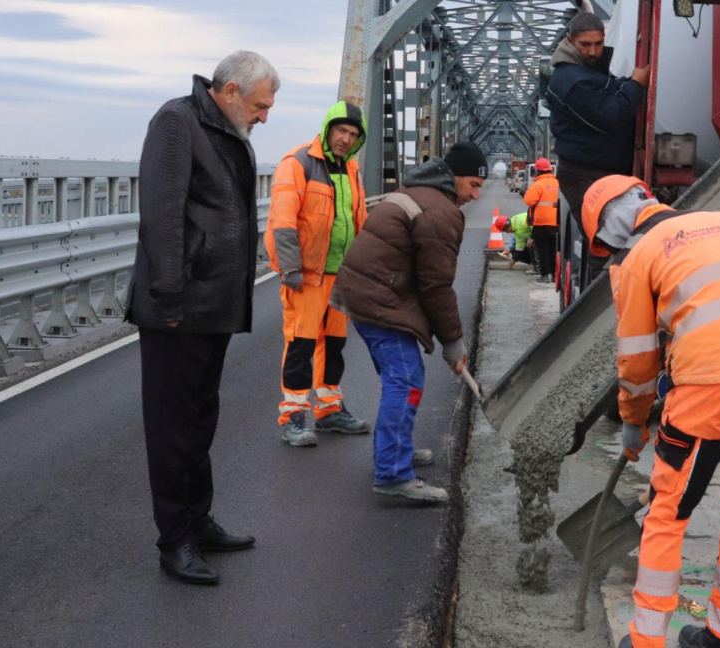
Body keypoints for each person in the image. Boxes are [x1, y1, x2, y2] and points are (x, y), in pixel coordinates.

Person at [584, 176, 720, 648]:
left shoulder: (637, 260)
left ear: (612, 230)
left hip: (705, 389)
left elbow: (638, 362)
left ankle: (647, 640)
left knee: (668, 514)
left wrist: (634, 424)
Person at [127, 51, 278, 585]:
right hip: (180, 307)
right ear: (231, 90)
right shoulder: (177, 122)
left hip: (211, 307)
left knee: (199, 422)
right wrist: (168, 300)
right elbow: (163, 215)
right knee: (172, 428)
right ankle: (176, 541)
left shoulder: (221, 127)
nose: (265, 116)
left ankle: (198, 520)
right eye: (261, 105)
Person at [330, 142, 487, 503]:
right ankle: (393, 473)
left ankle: (395, 449)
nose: (476, 195)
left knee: (401, 379)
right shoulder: (440, 212)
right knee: (405, 380)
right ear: (455, 177)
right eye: (473, 185)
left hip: (364, 293)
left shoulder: (418, 191)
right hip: (378, 299)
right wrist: (453, 342)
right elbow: (436, 285)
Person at [266, 101, 371, 447]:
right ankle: (293, 416)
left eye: (353, 134)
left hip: (341, 274)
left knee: (335, 345)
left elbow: (359, 220)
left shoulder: (351, 168)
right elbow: (282, 220)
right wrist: (290, 266)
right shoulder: (298, 162)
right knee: (301, 344)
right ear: (328, 128)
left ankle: (329, 410)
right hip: (308, 274)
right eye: (341, 130)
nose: (346, 138)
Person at [547, 12, 649, 244]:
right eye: (585, 45)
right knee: (605, 243)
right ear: (570, 40)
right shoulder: (572, 80)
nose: (593, 51)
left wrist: (626, 83)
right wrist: (634, 85)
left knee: (611, 241)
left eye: (598, 43)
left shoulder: (584, 71)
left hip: (597, 172)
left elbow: (607, 91)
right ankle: (604, 282)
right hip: (587, 175)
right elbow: (609, 117)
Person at [524, 158, 560, 283]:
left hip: (541, 223)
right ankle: (556, 275)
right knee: (554, 249)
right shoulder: (558, 183)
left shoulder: (537, 185)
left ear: (537, 171)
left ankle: (545, 275)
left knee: (542, 250)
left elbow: (529, 201)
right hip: (556, 222)